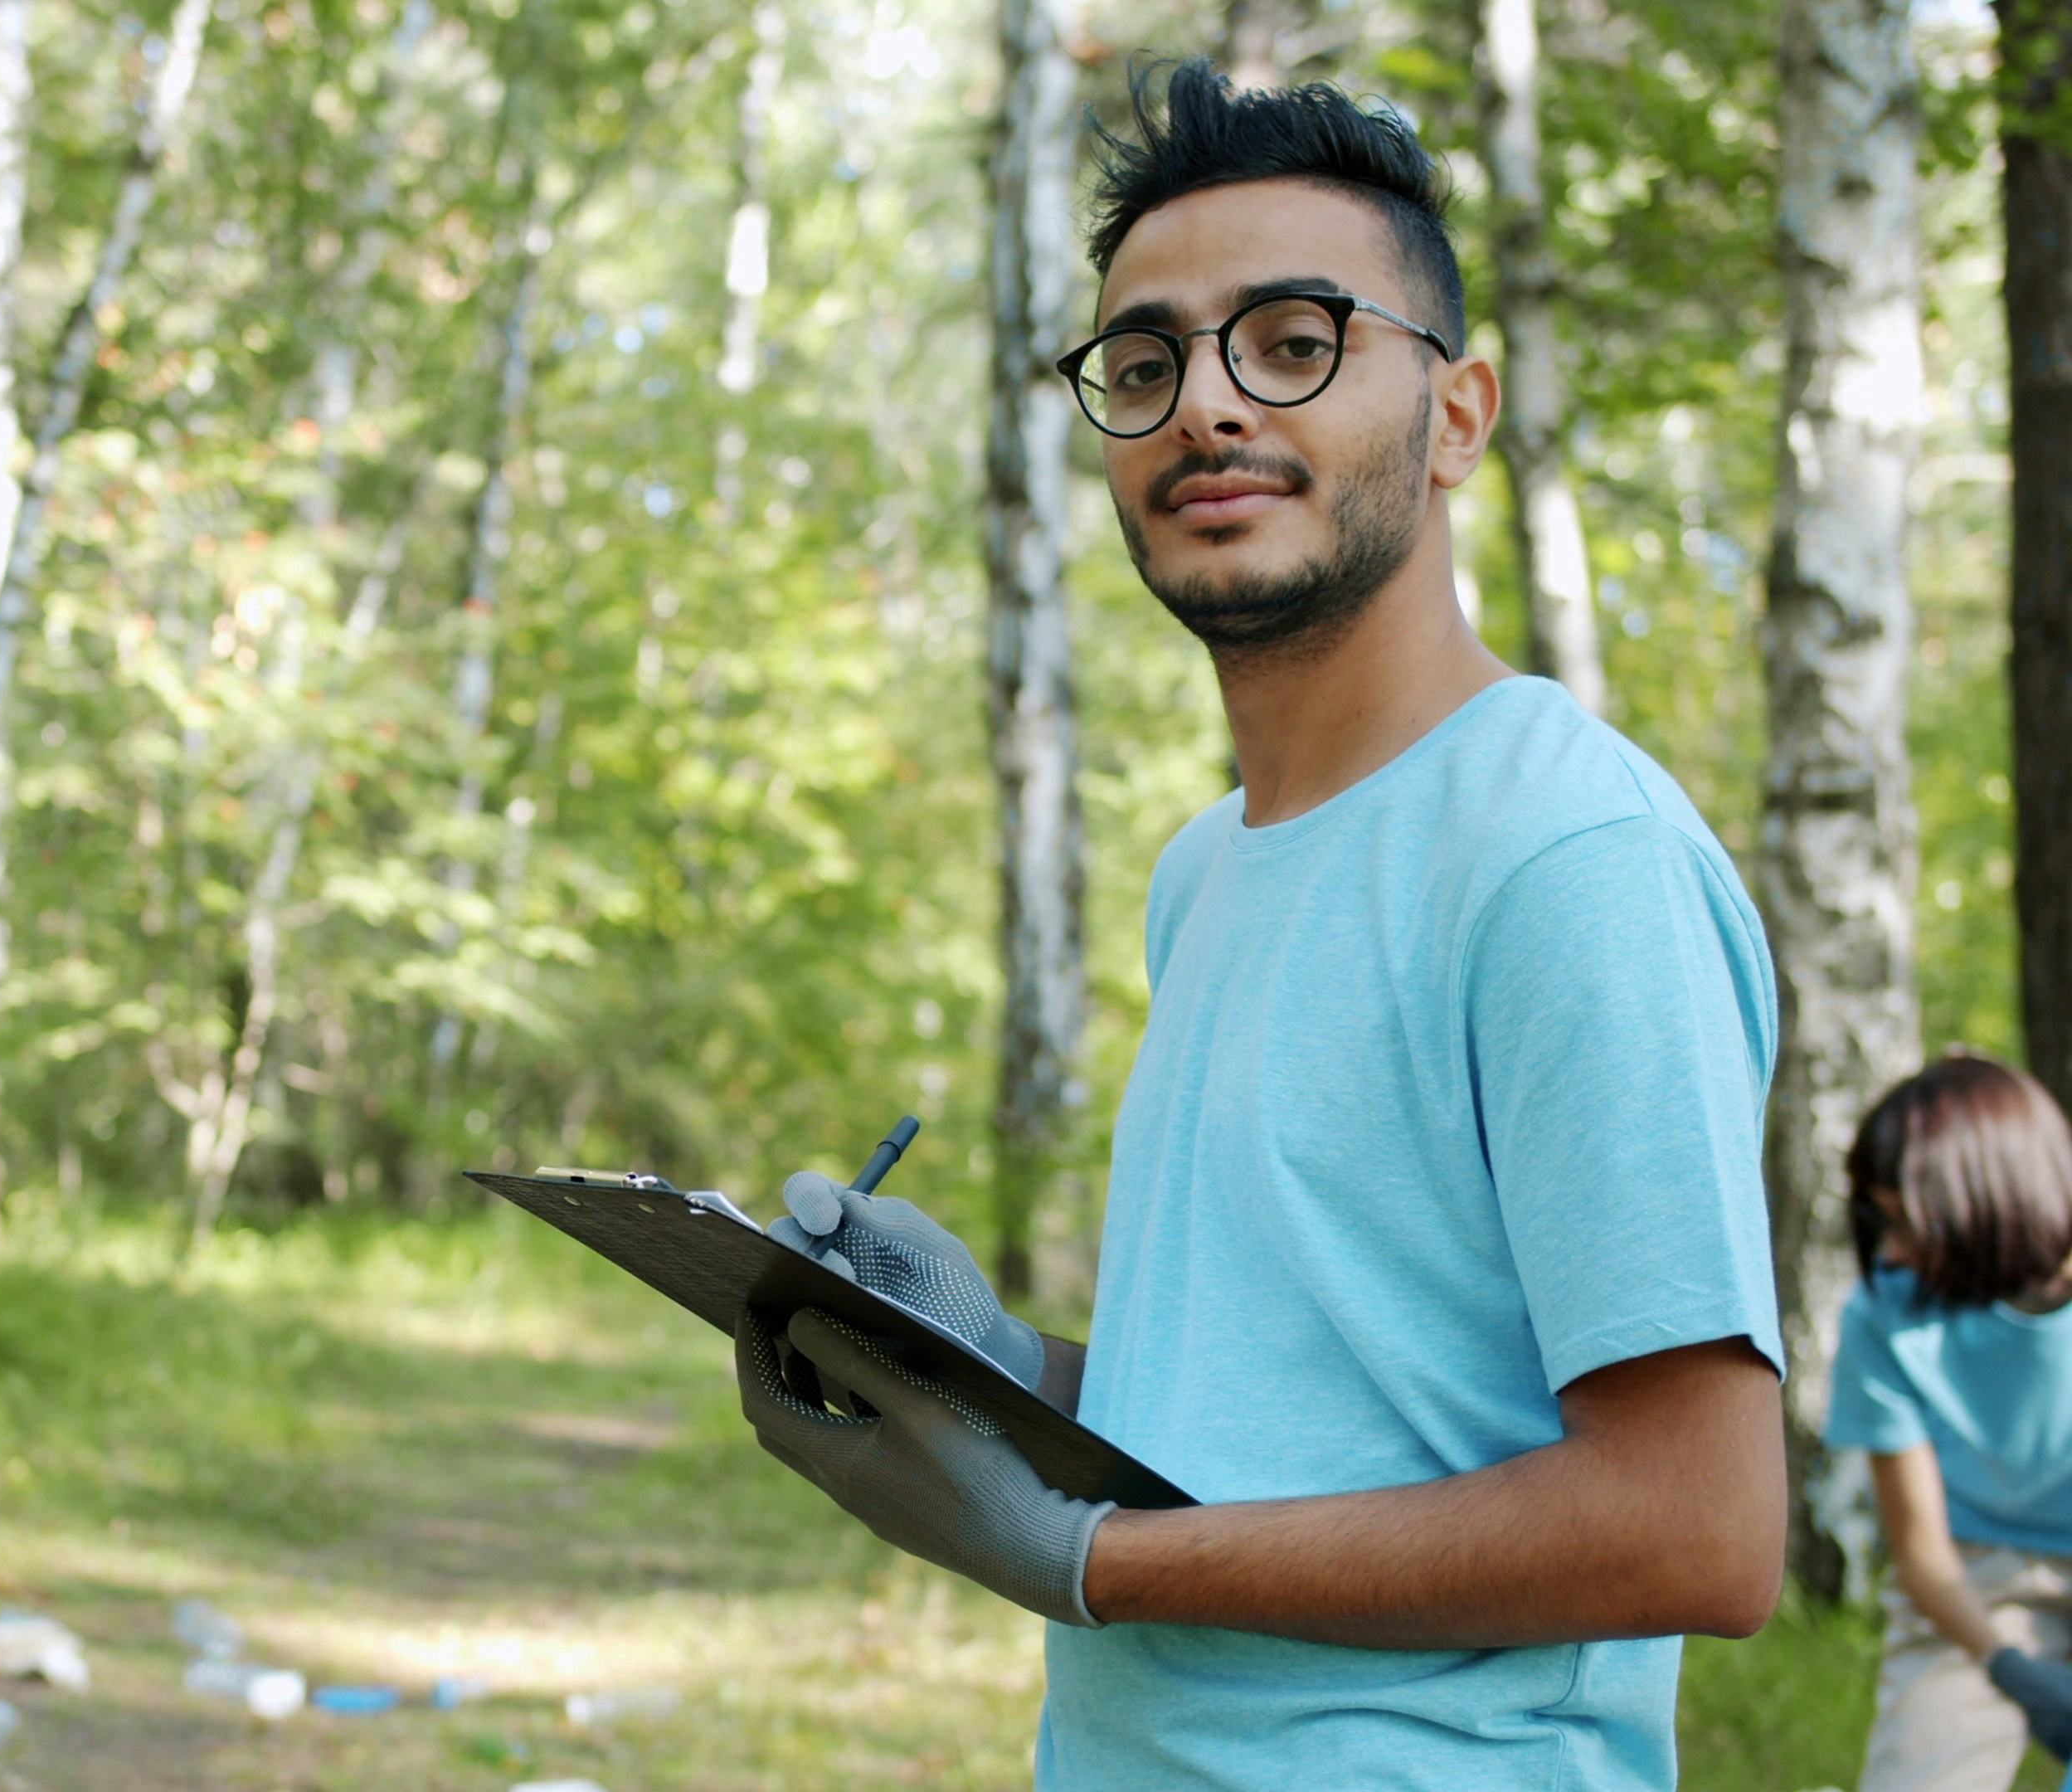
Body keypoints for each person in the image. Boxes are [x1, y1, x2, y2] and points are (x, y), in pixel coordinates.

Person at [733, 61, 1788, 1789]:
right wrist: (998, 1361)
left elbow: (1697, 1526)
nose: (1206, 407)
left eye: (1292, 340)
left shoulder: (1563, 849)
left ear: (1458, 415)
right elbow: (1301, 1427)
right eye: (1143, 365)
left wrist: (1082, 1560)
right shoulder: (1204, 869)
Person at [1820, 1056, 2072, 1790]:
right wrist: (2014, 1672)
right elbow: (1923, 1553)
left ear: (1986, 1199)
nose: (1892, 1251)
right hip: (1973, 1585)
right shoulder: (1885, 1317)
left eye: (1904, 1221)